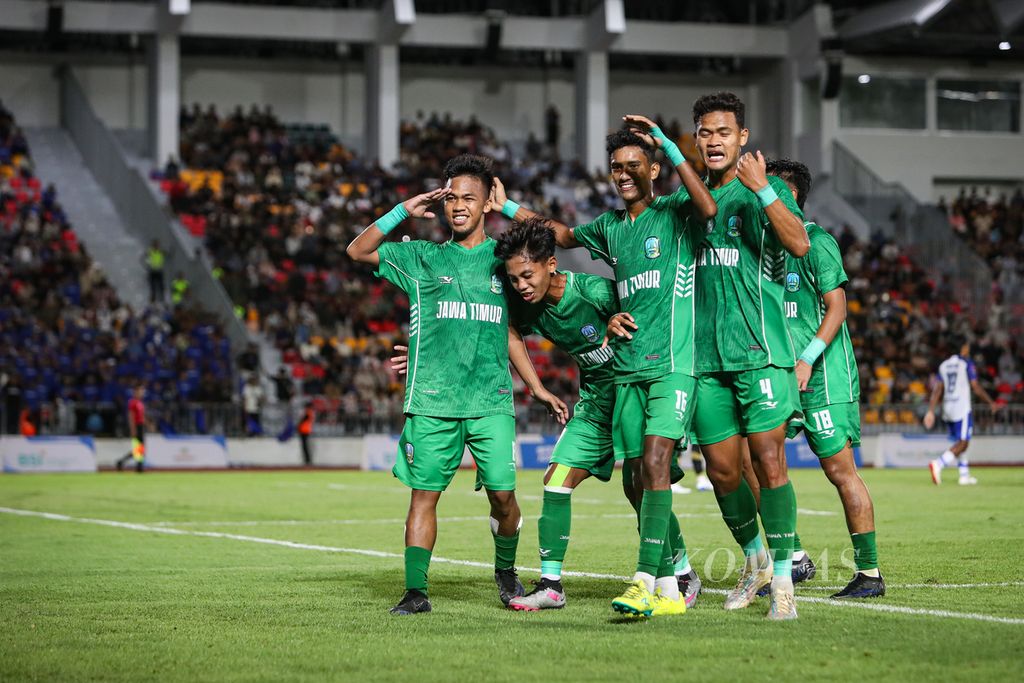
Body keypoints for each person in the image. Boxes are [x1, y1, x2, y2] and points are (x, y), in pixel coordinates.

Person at [393, 218, 702, 613]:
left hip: (632, 394)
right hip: (594, 405)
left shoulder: (594, 291)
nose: (520, 286)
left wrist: (617, 319)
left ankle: (682, 572)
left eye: (526, 276)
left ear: (551, 265)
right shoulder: (530, 309)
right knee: (556, 480)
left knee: (642, 487)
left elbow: (650, 316)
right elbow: (498, 329)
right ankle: (552, 586)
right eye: (514, 279)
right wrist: (534, 386)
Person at [499, 115, 717, 616]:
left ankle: (671, 575)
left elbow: (706, 205)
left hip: (662, 368)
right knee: (589, 479)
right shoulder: (608, 231)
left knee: (647, 474)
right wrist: (505, 205)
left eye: (632, 165)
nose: (621, 174)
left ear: (654, 168)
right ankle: (555, 585)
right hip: (611, 391)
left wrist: (668, 142)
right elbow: (560, 233)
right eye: (615, 166)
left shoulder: (672, 214)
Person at [346, 153, 567, 616]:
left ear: (487, 202)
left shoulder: (505, 261)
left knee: (504, 497)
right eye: (452, 198)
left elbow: (515, 320)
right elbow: (358, 251)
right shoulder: (422, 258)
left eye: (470, 197)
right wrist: (403, 210)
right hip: (431, 399)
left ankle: (505, 572)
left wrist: (538, 387)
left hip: (490, 400)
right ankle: (415, 591)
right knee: (424, 496)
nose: (459, 206)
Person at [687, 92, 809, 620]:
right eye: (705, 133)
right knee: (721, 471)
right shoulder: (689, 201)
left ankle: (783, 580)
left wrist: (762, 191)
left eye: (723, 133)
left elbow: (800, 244)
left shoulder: (769, 189)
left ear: (742, 138)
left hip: (759, 354)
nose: (714, 141)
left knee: (770, 461)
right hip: (706, 361)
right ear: (696, 141)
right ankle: (756, 560)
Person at [768, 157, 884, 599]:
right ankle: (794, 559)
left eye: (770, 189)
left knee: (840, 471)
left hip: (823, 376)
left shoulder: (817, 242)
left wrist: (808, 360)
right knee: (757, 460)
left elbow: (837, 307)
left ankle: (870, 574)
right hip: (779, 374)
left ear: (792, 195)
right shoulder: (766, 250)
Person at [925, 336, 1001, 486]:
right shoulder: (966, 363)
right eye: (967, 346)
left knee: (959, 441)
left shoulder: (944, 365)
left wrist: (931, 410)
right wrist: (990, 402)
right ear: (963, 348)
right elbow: (975, 386)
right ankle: (938, 464)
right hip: (961, 407)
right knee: (964, 443)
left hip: (948, 408)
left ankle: (964, 475)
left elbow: (937, 389)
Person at [116, 385, 147, 472]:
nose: (142, 393)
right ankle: (125, 463)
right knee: (138, 447)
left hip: (141, 426)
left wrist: (146, 424)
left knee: (140, 448)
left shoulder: (140, 402)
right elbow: (131, 416)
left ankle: (138, 466)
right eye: (141, 391)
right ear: (135, 392)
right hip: (136, 426)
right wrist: (133, 429)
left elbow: (142, 416)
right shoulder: (132, 402)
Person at [145, 240, 166, 304]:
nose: (157, 246)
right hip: (152, 270)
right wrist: (148, 265)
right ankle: (153, 299)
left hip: (159, 270)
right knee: (153, 286)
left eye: (157, 245)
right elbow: (145, 258)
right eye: (155, 245)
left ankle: (162, 298)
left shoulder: (160, 251)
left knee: (161, 285)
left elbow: (166, 253)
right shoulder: (150, 251)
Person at [298, 401, 314, 466]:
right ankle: (307, 460)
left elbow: (302, 420)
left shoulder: (308, 412)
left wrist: (298, 425)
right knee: (305, 446)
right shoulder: (310, 412)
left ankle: (307, 460)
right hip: (306, 430)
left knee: (305, 447)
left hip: (304, 430)